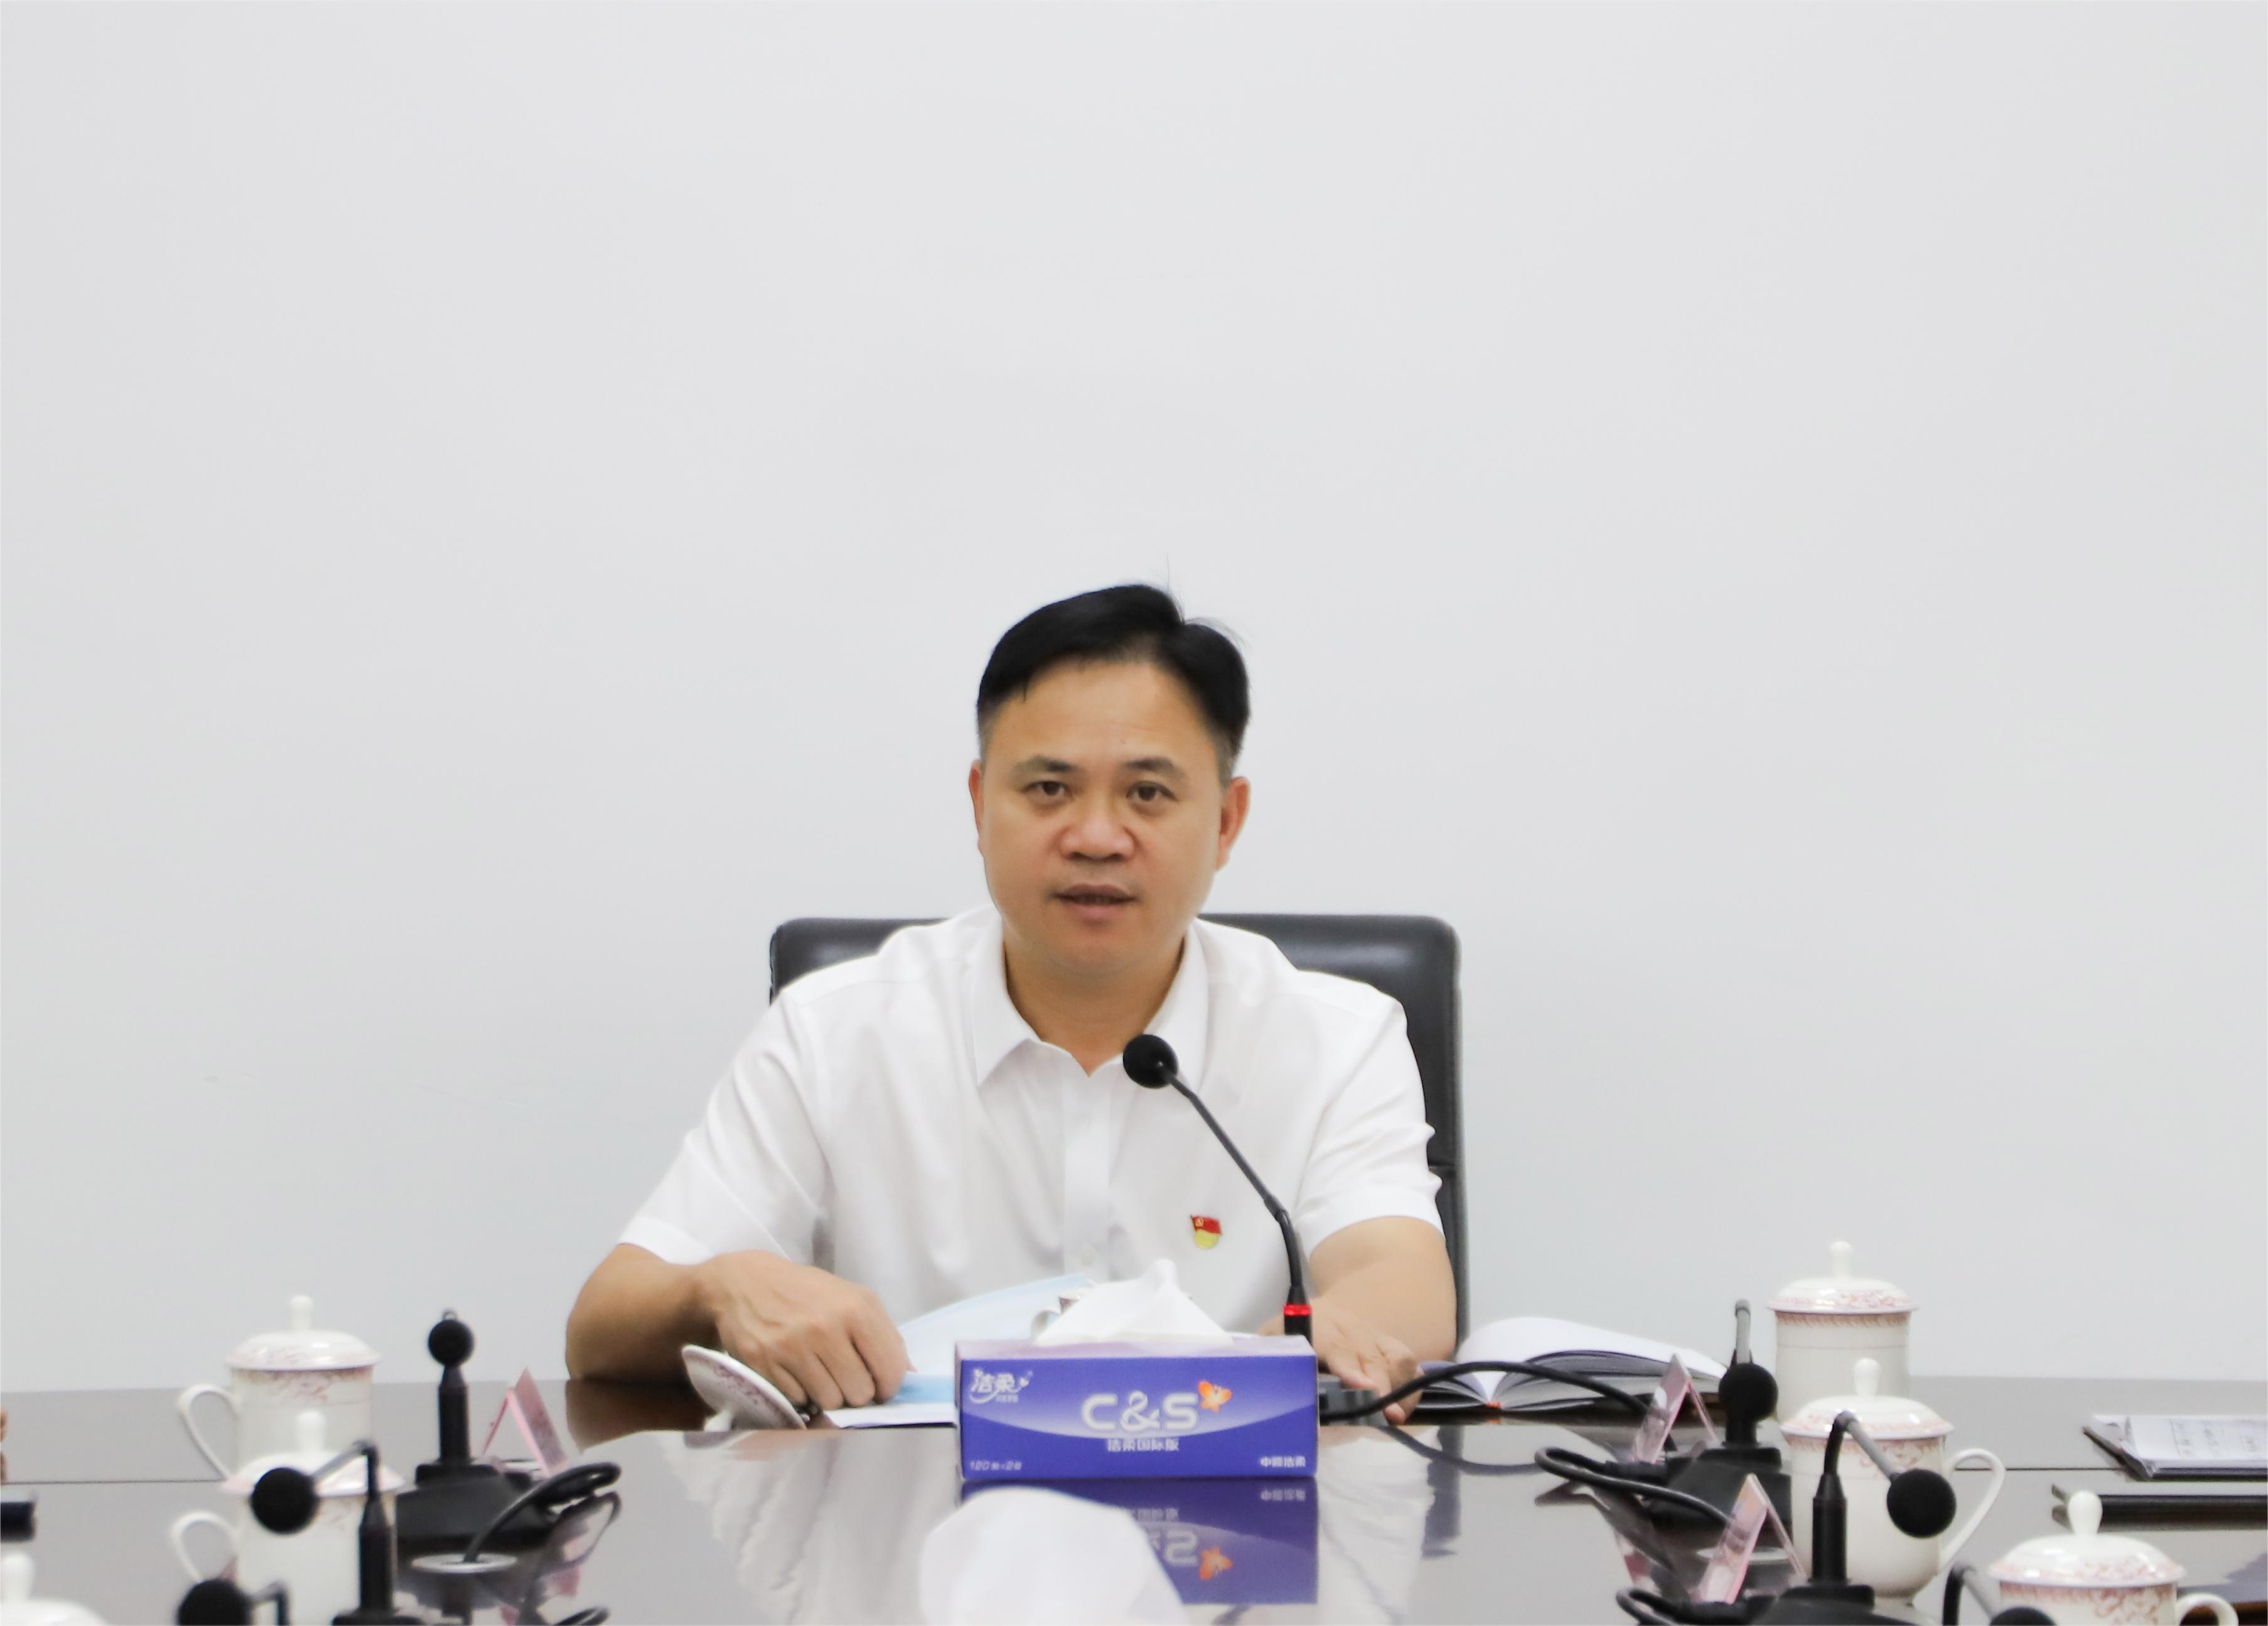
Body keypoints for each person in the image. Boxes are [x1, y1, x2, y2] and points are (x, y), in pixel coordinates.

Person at [566, 585, 1455, 1419]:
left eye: (1147, 793)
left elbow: (1402, 1282)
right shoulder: (835, 1032)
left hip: (1234, 1511)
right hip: (905, 1523)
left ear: (1225, 821)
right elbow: (602, 1325)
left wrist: (1343, 1330)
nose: (1096, 837)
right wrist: (719, 1288)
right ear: (979, 804)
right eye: (1048, 789)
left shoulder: (1335, 1038)